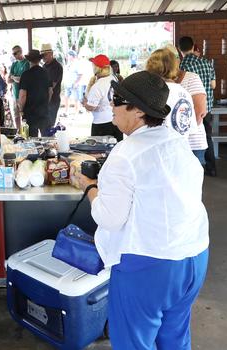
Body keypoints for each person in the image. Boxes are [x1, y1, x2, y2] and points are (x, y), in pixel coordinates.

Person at [77, 71, 208, 350]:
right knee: (174, 338)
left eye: (116, 100)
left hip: (149, 264)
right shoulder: (178, 143)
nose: (110, 105)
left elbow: (109, 218)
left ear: (137, 110)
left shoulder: (126, 154)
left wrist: (90, 188)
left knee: (133, 343)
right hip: (194, 257)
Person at [179, 36, 217, 177]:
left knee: (192, 139)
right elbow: (213, 85)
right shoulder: (206, 62)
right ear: (194, 46)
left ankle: (192, 169)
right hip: (207, 107)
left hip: (192, 110)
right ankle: (212, 168)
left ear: (179, 49)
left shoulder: (182, 66)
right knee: (207, 137)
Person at [145, 48, 197, 141]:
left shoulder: (153, 92)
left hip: (158, 149)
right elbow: (190, 128)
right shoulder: (185, 93)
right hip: (181, 149)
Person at [83, 54, 123, 141]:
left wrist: (85, 103)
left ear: (98, 68)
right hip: (116, 120)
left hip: (101, 123)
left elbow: (91, 107)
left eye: (94, 65)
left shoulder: (98, 85)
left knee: (100, 151)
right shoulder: (114, 78)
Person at [18, 49, 51, 137]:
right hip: (44, 111)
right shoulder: (46, 73)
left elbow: (22, 95)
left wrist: (21, 109)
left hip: (29, 113)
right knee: (47, 140)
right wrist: (46, 103)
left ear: (29, 60)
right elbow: (50, 91)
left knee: (30, 142)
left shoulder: (25, 75)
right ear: (39, 59)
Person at [41, 43, 63, 129]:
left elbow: (52, 85)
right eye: (42, 55)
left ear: (51, 53)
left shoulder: (57, 66)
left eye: (45, 55)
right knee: (44, 125)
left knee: (49, 125)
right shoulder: (44, 66)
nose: (43, 57)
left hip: (53, 99)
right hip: (44, 99)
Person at [8, 45, 30, 128]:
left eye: (15, 53)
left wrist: (13, 77)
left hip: (23, 95)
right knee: (16, 116)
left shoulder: (26, 63)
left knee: (24, 116)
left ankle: (25, 134)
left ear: (21, 52)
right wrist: (14, 78)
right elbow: (8, 80)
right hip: (15, 94)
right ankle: (18, 132)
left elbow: (22, 79)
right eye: (13, 54)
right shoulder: (14, 64)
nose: (14, 55)